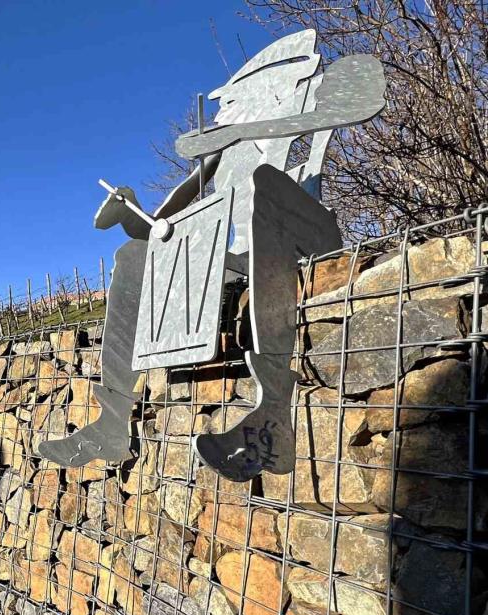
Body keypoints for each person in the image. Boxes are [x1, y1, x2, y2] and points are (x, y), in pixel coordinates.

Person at [39, 30, 385, 479]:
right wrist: (131, 214)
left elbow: (365, 94)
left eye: (231, 103)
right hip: (243, 258)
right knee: (133, 256)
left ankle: (274, 416)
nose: (222, 114)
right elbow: (162, 227)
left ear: (269, 92)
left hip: (309, 234)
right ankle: (112, 422)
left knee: (264, 184)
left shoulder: (312, 98)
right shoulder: (219, 155)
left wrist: (250, 128)